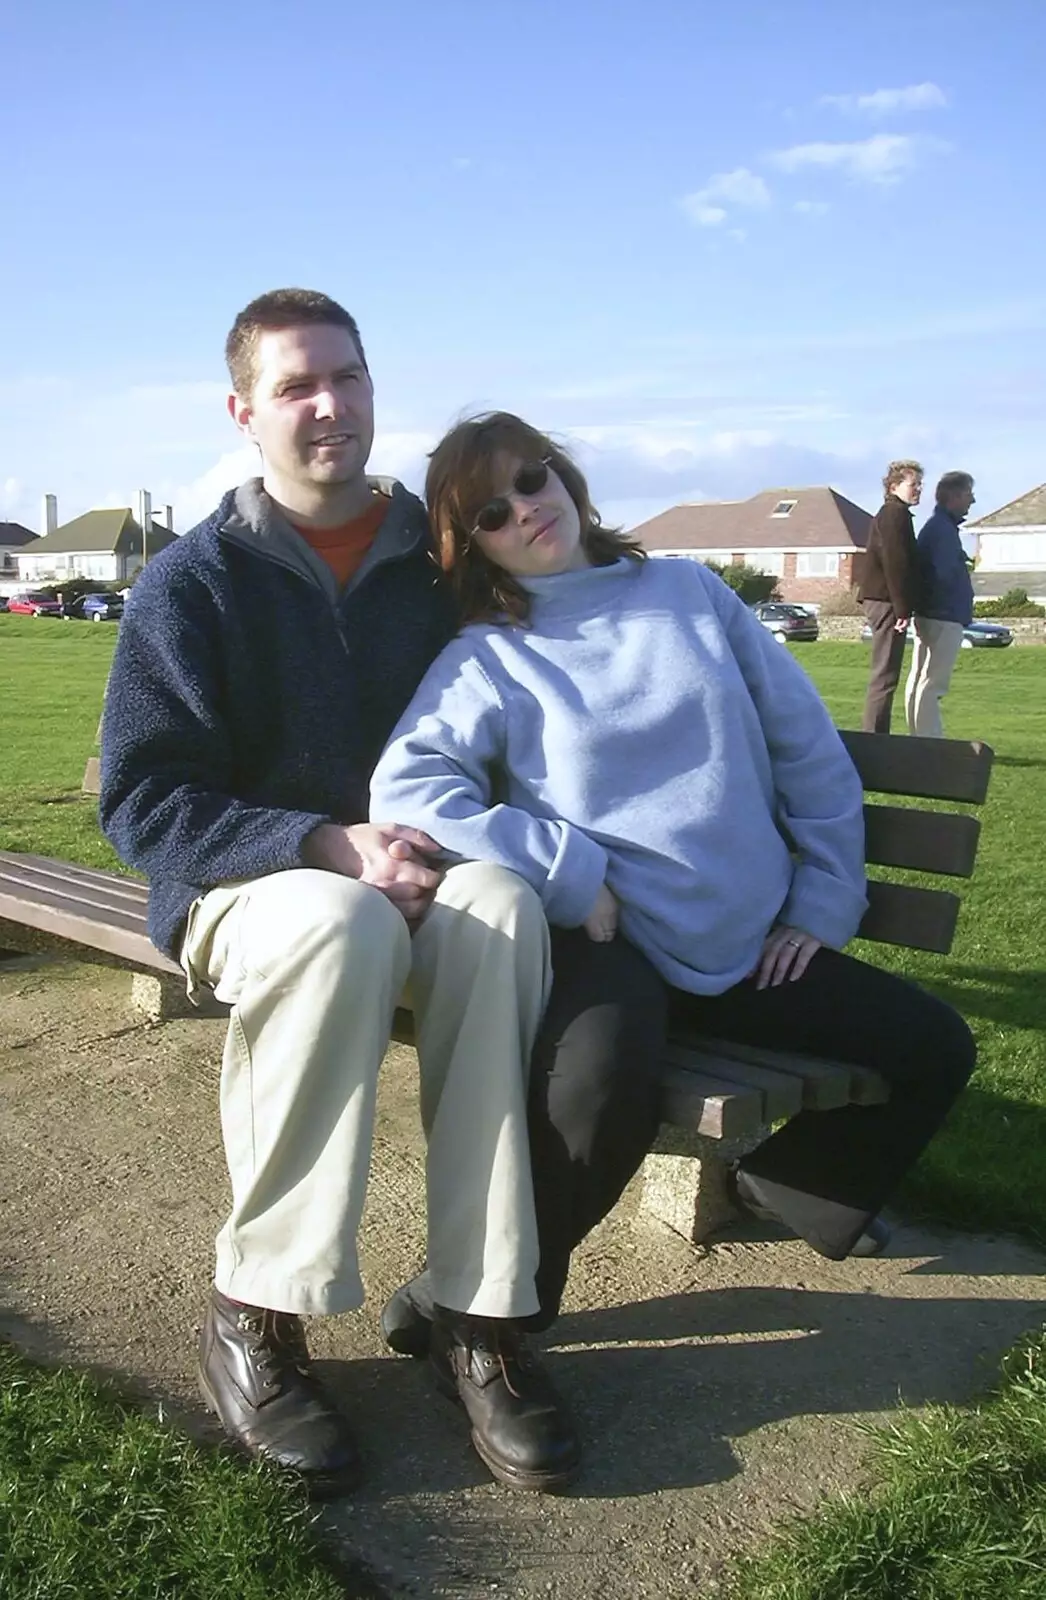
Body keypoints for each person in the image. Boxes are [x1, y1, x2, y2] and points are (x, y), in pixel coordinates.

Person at [371, 412, 976, 1380]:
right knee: (600, 1086)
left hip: (745, 938)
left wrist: (818, 903)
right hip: (611, 937)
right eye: (490, 509)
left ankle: (782, 1187)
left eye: (531, 479)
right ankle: (493, 1307)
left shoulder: (688, 593)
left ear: (562, 474)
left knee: (933, 1046)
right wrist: (571, 873)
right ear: (467, 543)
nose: (525, 509)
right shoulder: (485, 655)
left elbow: (805, 753)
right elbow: (408, 793)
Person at [99, 293, 584, 1496]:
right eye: (297, 385)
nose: (330, 405)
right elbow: (144, 802)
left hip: (431, 877)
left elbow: (537, 707)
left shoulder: (440, 559)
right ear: (243, 410)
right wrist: (319, 841)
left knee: (506, 913)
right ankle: (258, 1310)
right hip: (253, 886)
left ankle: (479, 1313)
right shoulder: (194, 583)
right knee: (337, 918)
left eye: (349, 378)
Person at [905, 472, 977, 738]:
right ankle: (928, 740)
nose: (972, 500)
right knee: (933, 682)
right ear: (955, 496)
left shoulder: (937, 527)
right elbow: (944, 574)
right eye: (969, 494)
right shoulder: (943, 531)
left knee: (920, 678)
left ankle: (919, 737)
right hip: (943, 615)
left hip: (932, 613)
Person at [858, 460, 923, 733]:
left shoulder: (896, 514)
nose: (918, 489)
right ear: (894, 486)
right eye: (913, 484)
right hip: (885, 602)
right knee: (884, 675)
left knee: (886, 674)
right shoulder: (894, 514)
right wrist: (902, 609)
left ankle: (876, 736)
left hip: (884, 600)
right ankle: (873, 739)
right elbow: (895, 563)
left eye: (920, 484)